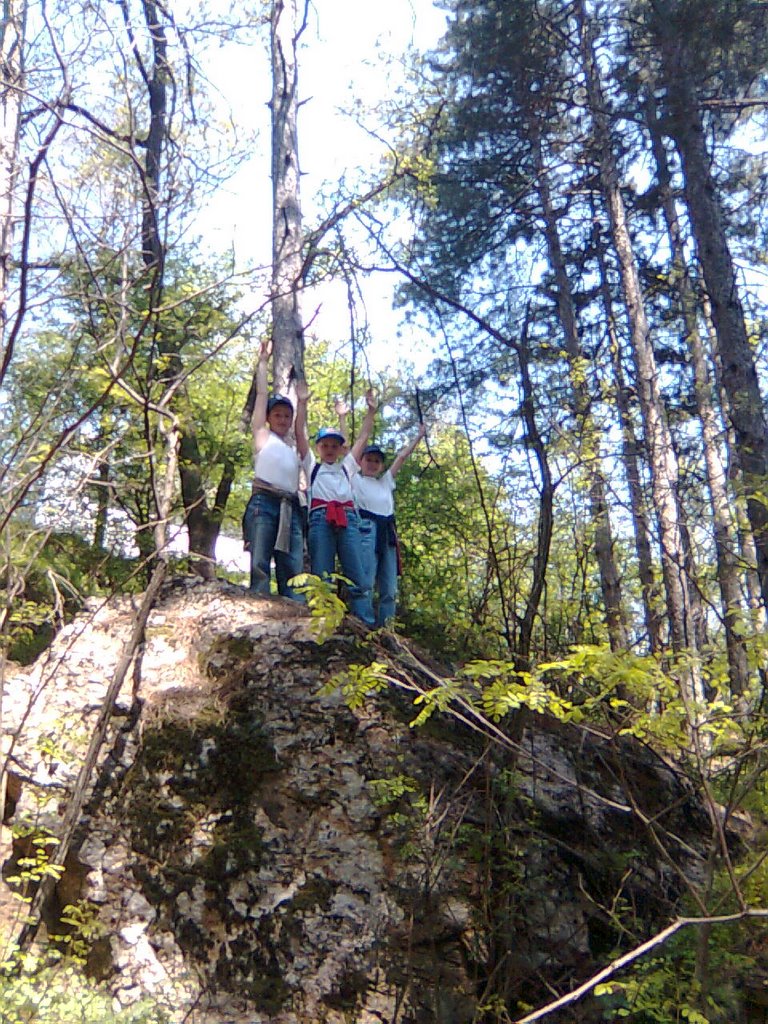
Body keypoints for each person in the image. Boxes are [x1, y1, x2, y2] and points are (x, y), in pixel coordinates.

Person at [302, 389, 378, 625]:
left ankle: (365, 622)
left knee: (356, 571)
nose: (330, 449)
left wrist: (371, 412)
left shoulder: (347, 467)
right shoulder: (312, 466)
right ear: (319, 448)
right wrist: (303, 404)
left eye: (335, 445)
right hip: (320, 517)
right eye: (325, 445)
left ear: (340, 448)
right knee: (322, 571)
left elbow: (363, 438)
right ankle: (323, 618)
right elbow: (300, 435)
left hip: (348, 518)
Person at [242, 339, 309, 600]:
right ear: (269, 418)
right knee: (260, 558)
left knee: (291, 564)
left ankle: (293, 606)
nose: (282, 419)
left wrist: (302, 402)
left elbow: (301, 430)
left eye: (286, 416)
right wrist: (262, 362)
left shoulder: (293, 449)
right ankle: (259, 600)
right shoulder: (263, 437)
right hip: (264, 501)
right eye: (277, 415)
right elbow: (261, 396)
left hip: (289, 506)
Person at [348, 423, 426, 627]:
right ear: (361, 462)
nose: (372, 464)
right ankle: (364, 622)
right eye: (369, 460)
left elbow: (401, 457)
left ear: (381, 465)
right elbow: (350, 450)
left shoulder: (385, 482)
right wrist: (343, 417)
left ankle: (386, 627)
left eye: (377, 461)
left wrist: (418, 438)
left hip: (388, 534)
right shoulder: (355, 480)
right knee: (365, 580)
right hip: (366, 529)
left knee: (390, 587)